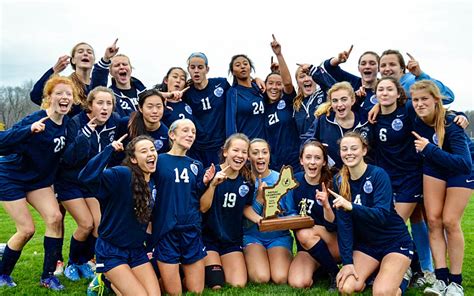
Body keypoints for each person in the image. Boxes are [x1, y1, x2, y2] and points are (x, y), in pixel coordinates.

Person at [0, 76, 76, 290]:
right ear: (48, 98)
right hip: (11, 177)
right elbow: (2, 142)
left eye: (68, 94)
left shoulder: (68, 124)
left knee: (55, 218)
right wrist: (28, 131)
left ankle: (48, 276)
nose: (64, 97)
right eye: (59, 93)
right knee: (26, 230)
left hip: (38, 181)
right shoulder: (36, 119)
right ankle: (2, 273)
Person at [55, 86, 125, 281]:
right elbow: (68, 158)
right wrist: (85, 133)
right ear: (90, 105)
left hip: (93, 183)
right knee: (85, 224)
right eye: (100, 103)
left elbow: (134, 121)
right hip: (70, 181)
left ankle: (86, 261)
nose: (105, 108)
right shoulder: (76, 123)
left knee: (99, 225)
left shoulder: (115, 122)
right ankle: (72, 262)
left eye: (109, 103)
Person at [330, 132, 413, 295]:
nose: (349, 153)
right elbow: (344, 225)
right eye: (344, 149)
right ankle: (376, 272)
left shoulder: (378, 175)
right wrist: (347, 262)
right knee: (346, 288)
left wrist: (351, 206)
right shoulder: (339, 181)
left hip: (394, 241)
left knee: (381, 293)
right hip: (367, 245)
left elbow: (381, 215)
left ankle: (404, 276)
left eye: (354, 148)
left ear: (364, 151)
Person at [410, 80, 473, 296]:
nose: (419, 104)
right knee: (434, 220)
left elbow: (465, 163)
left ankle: (456, 283)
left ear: (437, 100)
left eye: (424, 99)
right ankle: (441, 279)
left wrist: (429, 149)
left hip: (460, 171)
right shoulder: (416, 121)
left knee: (449, 221)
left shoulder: (451, 123)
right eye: (416, 100)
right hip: (435, 167)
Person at [78, 135, 161, 296]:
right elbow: (86, 177)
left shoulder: (153, 182)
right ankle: (105, 278)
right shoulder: (122, 175)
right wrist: (109, 150)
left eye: (153, 149)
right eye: (144, 151)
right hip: (111, 251)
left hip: (136, 250)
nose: (151, 154)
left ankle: (109, 282)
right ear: (134, 159)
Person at [150, 119, 212, 295]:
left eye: (193, 131)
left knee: (196, 291)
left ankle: (175, 274)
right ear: (172, 135)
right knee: (174, 293)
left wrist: (207, 182)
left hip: (191, 230)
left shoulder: (196, 165)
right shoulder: (159, 161)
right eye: (185, 130)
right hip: (166, 231)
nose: (190, 134)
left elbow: (197, 196)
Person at [200, 133, 255, 289]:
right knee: (216, 284)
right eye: (235, 150)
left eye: (244, 152)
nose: (240, 155)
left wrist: (261, 220)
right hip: (208, 238)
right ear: (225, 152)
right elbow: (202, 208)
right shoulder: (210, 173)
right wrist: (212, 185)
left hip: (231, 240)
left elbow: (246, 207)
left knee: (238, 284)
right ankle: (192, 270)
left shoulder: (247, 180)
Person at [287, 141, 339, 290]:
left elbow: (333, 226)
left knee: (304, 231)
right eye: (308, 157)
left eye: (317, 158)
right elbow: (290, 214)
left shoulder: (332, 183)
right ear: (301, 160)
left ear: (324, 162)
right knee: (299, 283)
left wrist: (326, 206)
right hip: (308, 246)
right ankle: (323, 267)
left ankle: (335, 273)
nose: (312, 162)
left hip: (333, 241)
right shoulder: (293, 182)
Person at [242, 138, 294, 284]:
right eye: (255, 153)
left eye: (264, 152)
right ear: (248, 157)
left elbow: (291, 211)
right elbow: (245, 221)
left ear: (269, 155)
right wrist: (259, 198)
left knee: (281, 278)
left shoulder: (281, 179)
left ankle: (278, 256)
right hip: (252, 236)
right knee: (261, 278)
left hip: (278, 237)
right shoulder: (244, 181)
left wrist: (289, 218)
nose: (260, 156)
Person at [30, 40, 119, 116]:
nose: (85, 54)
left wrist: (106, 58)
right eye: (80, 52)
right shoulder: (65, 84)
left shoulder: (97, 83)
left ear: (94, 60)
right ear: (73, 60)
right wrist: (54, 70)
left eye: (89, 52)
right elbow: (36, 96)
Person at [301, 82, 372, 171]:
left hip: (361, 176)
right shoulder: (323, 120)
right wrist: (319, 150)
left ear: (353, 100)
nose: (339, 104)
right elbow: (307, 140)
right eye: (335, 100)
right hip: (332, 177)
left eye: (344, 99)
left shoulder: (367, 120)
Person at [184, 52, 230, 168]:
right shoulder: (186, 93)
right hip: (197, 148)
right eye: (192, 67)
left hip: (220, 146)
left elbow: (240, 89)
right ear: (188, 69)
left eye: (200, 67)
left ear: (207, 69)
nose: (196, 71)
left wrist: (255, 80)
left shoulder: (221, 84)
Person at [264, 35, 300, 172]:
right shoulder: (262, 106)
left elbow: (288, 83)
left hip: (294, 162)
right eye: (270, 83)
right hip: (273, 164)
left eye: (278, 84)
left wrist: (279, 54)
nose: (274, 87)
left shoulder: (288, 100)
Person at [378, 49, 454, 104]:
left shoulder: (412, 81)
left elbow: (448, 97)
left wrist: (420, 74)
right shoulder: (380, 88)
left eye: (392, 64)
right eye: (383, 65)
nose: (387, 69)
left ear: (402, 68)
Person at [322, 45, 380, 112]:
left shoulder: (384, 88)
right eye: (363, 64)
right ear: (358, 68)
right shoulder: (353, 82)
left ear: (379, 68)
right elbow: (329, 67)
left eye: (372, 64)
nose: (367, 66)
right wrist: (338, 60)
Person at [225, 54, 266, 140]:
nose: (242, 66)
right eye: (237, 65)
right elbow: (230, 122)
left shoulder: (260, 88)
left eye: (245, 64)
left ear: (250, 68)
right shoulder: (232, 93)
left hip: (264, 145)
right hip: (246, 145)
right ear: (233, 72)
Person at [292, 63, 336, 136]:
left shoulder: (324, 94)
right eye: (302, 76)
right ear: (297, 82)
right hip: (305, 146)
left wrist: (314, 70)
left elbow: (336, 88)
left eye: (309, 75)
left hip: (323, 144)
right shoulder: (295, 105)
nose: (306, 79)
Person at [128, 89, 170, 154]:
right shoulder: (128, 124)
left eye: (159, 107)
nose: (155, 111)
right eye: (150, 107)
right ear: (140, 108)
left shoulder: (166, 134)